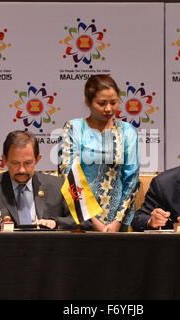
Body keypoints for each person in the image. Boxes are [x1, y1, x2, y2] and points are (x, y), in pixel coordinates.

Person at [58, 74, 140, 232]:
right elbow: (68, 175)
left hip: (117, 221)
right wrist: (92, 221)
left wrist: (117, 221)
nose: (109, 109)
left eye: (114, 102)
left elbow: (132, 179)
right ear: (88, 102)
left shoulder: (127, 131)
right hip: (80, 220)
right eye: (101, 103)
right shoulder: (74, 128)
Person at [0, 130, 85, 231]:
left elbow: (83, 221)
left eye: (28, 163)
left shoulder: (58, 186)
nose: (22, 170)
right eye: (15, 163)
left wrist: (55, 222)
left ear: (37, 159)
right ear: (4, 160)